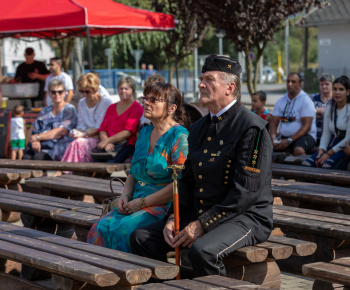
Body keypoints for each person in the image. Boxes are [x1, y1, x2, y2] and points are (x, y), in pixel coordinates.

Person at [130, 54, 273, 277]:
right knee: (142, 238)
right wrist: (173, 218)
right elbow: (186, 181)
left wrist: (202, 224)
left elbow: (245, 193)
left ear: (230, 87)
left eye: (209, 79)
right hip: (201, 213)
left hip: (245, 217)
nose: (201, 84)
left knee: (203, 251)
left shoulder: (251, 129)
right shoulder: (197, 128)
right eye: (201, 78)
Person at [87, 82, 189, 253]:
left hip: (162, 205)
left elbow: (179, 185)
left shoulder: (179, 137)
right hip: (135, 200)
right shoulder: (145, 132)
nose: (146, 103)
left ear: (171, 108)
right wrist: (124, 196)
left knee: (123, 230)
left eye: (154, 99)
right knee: (99, 227)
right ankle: (100, 275)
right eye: (145, 98)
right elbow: (134, 171)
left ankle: (127, 277)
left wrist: (141, 203)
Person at [60, 73, 112, 164]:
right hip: (85, 136)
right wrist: (77, 132)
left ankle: (65, 170)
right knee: (70, 142)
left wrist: (82, 134)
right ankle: (68, 170)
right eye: (81, 91)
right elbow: (81, 123)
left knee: (77, 143)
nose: (84, 94)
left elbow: (99, 127)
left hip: (100, 138)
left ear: (95, 89)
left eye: (87, 91)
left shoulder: (106, 102)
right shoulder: (81, 102)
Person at [302, 76, 350, 169]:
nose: (337, 92)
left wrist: (328, 154)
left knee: (327, 165)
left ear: (348, 92)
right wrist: (321, 150)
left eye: (341, 89)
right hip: (336, 143)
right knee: (307, 164)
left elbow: (348, 138)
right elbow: (326, 134)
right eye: (335, 89)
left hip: (346, 146)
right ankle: (308, 184)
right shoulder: (330, 109)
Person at [23, 79, 77, 161]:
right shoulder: (45, 110)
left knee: (38, 159)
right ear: (49, 93)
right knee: (25, 158)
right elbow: (34, 127)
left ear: (65, 93)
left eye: (60, 92)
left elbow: (61, 132)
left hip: (59, 146)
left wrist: (38, 137)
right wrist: (34, 141)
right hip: (42, 144)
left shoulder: (69, 109)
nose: (57, 94)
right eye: (53, 92)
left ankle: (44, 174)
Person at [96, 76, 143, 163]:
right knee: (95, 162)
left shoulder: (137, 108)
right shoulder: (111, 107)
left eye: (126, 88)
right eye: (121, 88)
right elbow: (102, 128)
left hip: (126, 145)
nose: (123, 91)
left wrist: (107, 141)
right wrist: (106, 142)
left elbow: (127, 132)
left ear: (132, 90)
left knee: (109, 163)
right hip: (108, 144)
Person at [270, 72, 317, 156]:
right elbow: (273, 123)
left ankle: (302, 169)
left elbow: (307, 127)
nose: (289, 84)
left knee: (298, 150)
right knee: (265, 147)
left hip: (305, 136)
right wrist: (273, 138)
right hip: (284, 136)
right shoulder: (281, 101)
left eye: (293, 82)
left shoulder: (306, 101)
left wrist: (289, 140)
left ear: (300, 85)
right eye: (288, 81)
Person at [310, 73, 334, 144]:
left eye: (327, 84)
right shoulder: (313, 98)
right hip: (313, 135)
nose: (324, 86)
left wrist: (317, 110)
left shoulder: (336, 98)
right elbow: (306, 114)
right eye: (321, 84)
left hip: (332, 136)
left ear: (332, 85)